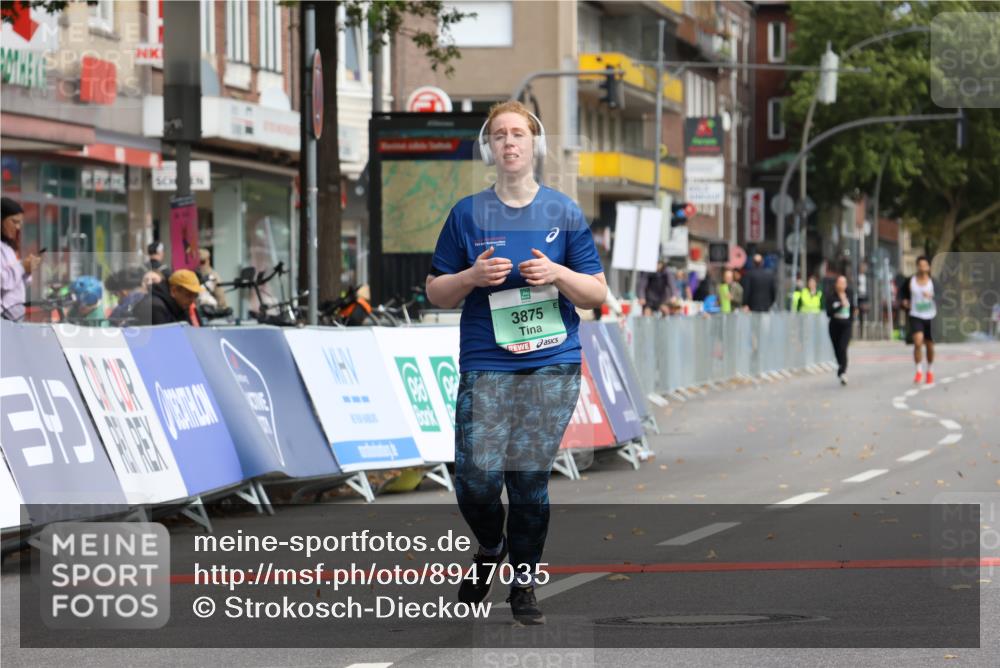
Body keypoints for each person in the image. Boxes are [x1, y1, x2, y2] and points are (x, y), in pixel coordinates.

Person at [425, 100, 606, 625]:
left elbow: (595, 291)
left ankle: (523, 585)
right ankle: (489, 547)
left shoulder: (563, 212)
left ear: (534, 145)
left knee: (527, 479)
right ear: (490, 147)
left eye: (519, 135)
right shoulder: (466, 213)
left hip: (552, 360)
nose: (509, 143)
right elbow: (436, 291)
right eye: (500, 135)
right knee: (476, 480)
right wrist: (471, 279)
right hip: (487, 361)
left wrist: (556, 273)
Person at [1, 197, 42, 321]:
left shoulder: (8, 248)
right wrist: (22, 267)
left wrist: (27, 270)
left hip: (14, 316)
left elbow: (15, 283)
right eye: (14, 222)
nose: (18, 227)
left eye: (20, 223)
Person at [900, 255, 938, 384]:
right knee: (917, 342)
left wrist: (932, 296)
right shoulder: (911, 281)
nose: (922, 268)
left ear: (928, 267)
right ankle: (919, 371)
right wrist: (904, 301)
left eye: (925, 265)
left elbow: (943, 296)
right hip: (915, 315)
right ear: (917, 266)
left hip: (931, 316)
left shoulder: (933, 281)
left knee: (930, 346)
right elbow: (902, 293)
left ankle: (930, 370)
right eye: (920, 265)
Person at [137, 268, 204, 325]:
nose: (192, 300)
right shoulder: (155, 306)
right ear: (174, 291)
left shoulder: (182, 305)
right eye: (188, 295)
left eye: (195, 296)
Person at [826, 274, 854, 385]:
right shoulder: (831, 296)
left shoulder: (849, 294)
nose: (843, 285)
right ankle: (840, 365)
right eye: (840, 283)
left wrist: (851, 321)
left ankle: (842, 371)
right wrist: (840, 305)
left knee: (843, 348)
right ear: (836, 284)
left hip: (846, 325)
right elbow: (829, 313)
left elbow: (852, 309)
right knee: (837, 350)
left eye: (844, 283)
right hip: (834, 325)